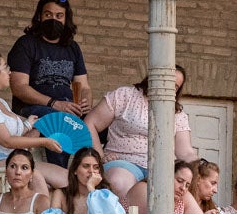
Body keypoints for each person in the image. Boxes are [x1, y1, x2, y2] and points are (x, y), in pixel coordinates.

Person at [84, 65, 196, 199]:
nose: (170, 88)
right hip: (123, 161)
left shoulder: (177, 113)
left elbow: (185, 152)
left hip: (161, 169)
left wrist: (201, 166)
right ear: (154, 78)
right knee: (119, 183)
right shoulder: (125, 96)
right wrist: (100, 157)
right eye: (168, 82)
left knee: (186, 195)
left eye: (176, 87)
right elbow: (90, 123)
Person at [7, 0, 92, 167]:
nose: (54, 19)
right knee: (58, 119)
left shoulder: (72, 47)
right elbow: (19, 87)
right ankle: (61, 175)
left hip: (68, 108)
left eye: (59, 16)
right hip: (33, 108)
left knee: (98, 122)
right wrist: (54, 103)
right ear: (39, 17)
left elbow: (83, 86)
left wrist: (85, 103)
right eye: (48, 14)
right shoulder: (26, 44)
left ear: (66, 19)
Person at [0, 52, 66, 192]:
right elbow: (7, 140)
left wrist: (32, 124)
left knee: (66, 178)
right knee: (37, 178)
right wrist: (45, 142)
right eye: (6, 67)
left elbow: (15, 131)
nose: (10, 72)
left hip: (13, 158)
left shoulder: (0, 102)